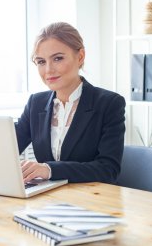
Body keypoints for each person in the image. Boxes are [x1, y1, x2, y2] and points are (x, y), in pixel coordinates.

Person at [15, 22, 125, 184]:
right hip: (46, 199)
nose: (48, 70)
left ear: (80, 57)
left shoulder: (109, 104)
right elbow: (6, 150)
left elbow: (108, 169)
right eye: (41, 62)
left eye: (58, 58)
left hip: (91, 200)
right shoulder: (35, 103)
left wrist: (49, 169)